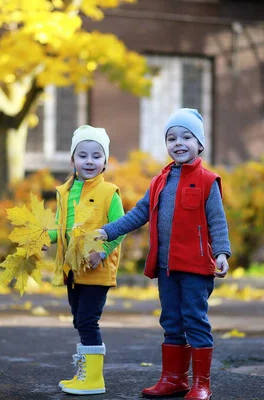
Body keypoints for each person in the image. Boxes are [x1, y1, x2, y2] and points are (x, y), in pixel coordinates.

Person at [97, 108, 230, 400]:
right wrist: (110, 230)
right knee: (170, 320)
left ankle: (201, 384)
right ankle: (174, 379)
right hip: (167, 268)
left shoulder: (208, 181)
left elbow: (217, 221)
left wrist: (221, 252)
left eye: (186, 136)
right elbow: (140, 213)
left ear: (200, 144)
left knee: (194, 319)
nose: (178, 143)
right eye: (172, 138)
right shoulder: (159, 181)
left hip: (195, 268)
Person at [45, 125, 125, 395]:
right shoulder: (65, 192)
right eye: (83, 155)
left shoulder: (109, 193)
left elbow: (120, 228)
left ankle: (94, 380)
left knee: (89, 320)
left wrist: (102, 251)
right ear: (73, 159)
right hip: (72, 270)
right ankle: (86, 372)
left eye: (96, 156)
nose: (89, 161)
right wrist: (45, 238)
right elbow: (60, 227)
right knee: (79, 320)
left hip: (97, 268)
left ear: (105, 161)